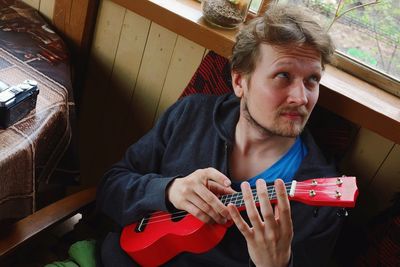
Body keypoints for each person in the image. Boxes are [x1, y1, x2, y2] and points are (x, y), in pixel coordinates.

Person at [97, 4, 344, 267]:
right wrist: (169, 190)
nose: (301, 97)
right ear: (239, 82)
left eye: (312, 80)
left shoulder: (323, 197)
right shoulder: (191, 114)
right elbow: (110, 189)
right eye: (283, 76)